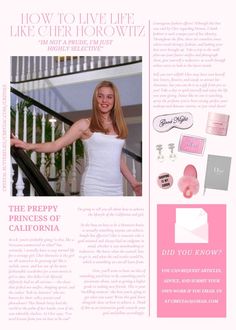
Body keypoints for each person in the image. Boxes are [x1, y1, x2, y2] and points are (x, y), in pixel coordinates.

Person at [11, 80, 142, 196]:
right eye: (100, 96)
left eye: (109, 97)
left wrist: (134, 183)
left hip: (116, 188)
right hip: (94, 187)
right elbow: (56, 145)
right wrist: (27, 145)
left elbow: (118, 160)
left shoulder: (118, 126)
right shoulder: (84, 124)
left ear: (115, 100)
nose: (104, 101)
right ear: (95, 99)